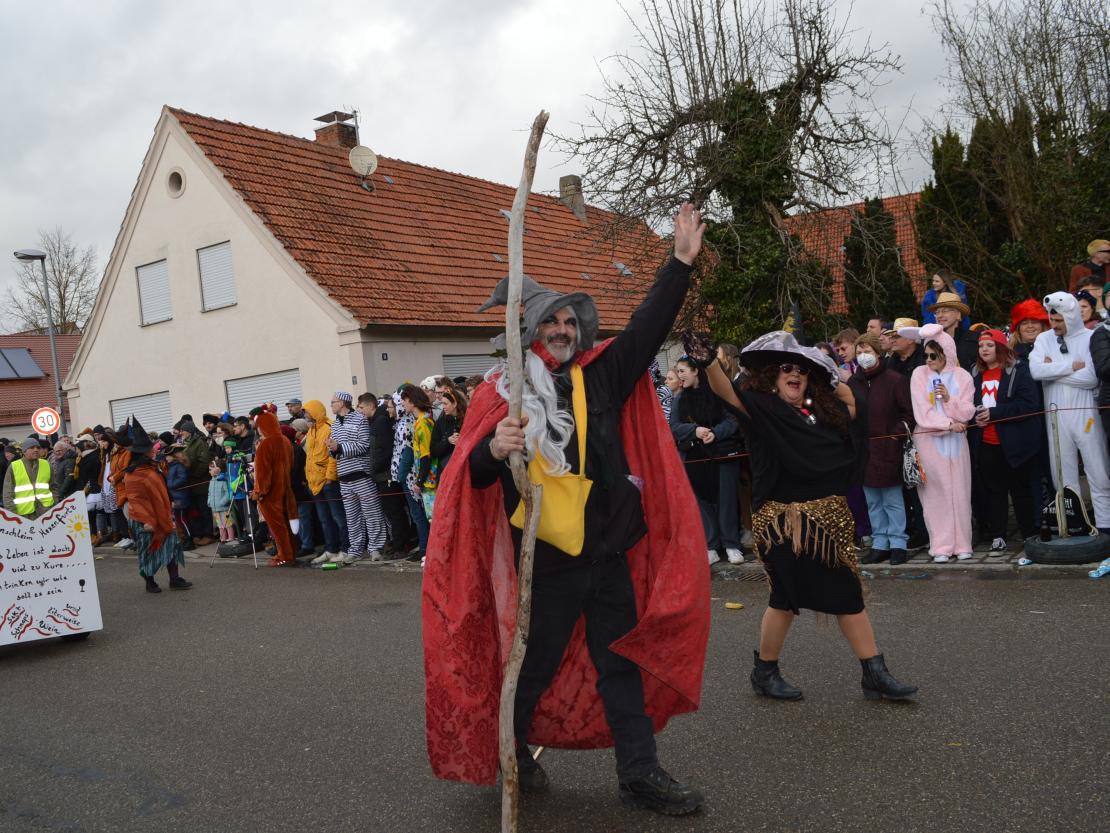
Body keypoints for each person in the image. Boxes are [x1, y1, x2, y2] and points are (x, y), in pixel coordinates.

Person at [424, 203, 710, 815]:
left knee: (619, 666)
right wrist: (494, 451)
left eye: (568, 321)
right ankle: (512, 754)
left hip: (606, 552)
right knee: (532, 665)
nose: (561, 329)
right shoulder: (500, 393)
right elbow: (465, 478)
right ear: (527, 331)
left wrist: (680, 263)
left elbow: (645, 331)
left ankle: (639, 775)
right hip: (546, 559)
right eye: (548, 321)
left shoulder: (600, 378)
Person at [696, 329, 917, 703]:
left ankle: (873, 674)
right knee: (786, 597)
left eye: (801, 369)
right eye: (785, 368)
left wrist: (832, 371)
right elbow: (725, 392)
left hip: (828, 521)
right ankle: (766, 672)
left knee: (847, 595)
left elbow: (855, 406)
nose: (794, 374)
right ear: (772, 376)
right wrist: (709, 363)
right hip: (784, 523)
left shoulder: (823, 411)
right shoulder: (761, 409)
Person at [1030, 292, 1110, 534]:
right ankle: (1074, 523)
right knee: (1062, 473)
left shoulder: (1089, 337)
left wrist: (1051, 369)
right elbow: (1036, 371)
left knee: (1098, 470)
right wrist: (1069, 366)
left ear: (1071, 317)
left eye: (1059, 321)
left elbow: (1090, 378)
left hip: (1085, 413)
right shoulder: (1044, 339)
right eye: (1052, 321)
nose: (1054, 326)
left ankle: (1106, 525)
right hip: (1055, 416)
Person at [906, 324, 977, 562]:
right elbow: (922, 412)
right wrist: (947, 424)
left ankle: (962, 543)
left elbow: (967, 411)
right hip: (929, 443)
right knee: (935, 496)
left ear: (946, 353)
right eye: (925, 355)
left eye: (933, 355)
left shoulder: (963, 376)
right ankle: (941, 546)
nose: (928, 360)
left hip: (957, 444)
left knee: (960, 491)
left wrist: (949, 399)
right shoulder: (918, 375)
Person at [968, 329, 1042, 552]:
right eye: (981, 346)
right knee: (994, 491)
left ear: (1001, 347)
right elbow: (966, 405)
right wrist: (975, 418)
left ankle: (1029, 533)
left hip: (1016, 444)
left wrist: (994, 413)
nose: (984, 350)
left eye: (990, 345)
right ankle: (998, 534)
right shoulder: (973, 373)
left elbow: (1029, 404)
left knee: (1021, 491)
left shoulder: (1018, 371)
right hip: (987, 444)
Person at [669, 355, 744, 565]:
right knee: (701, 501)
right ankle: (711, 545)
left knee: (726, 500)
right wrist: (695, 430)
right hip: (694, 457)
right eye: (677, 371)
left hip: (722, 454)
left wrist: (715, 433)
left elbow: (733, 421)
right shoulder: (679, 399)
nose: (678, 375)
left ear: (695, 371)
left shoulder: (718, 394)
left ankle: (731, 544)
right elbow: (673, 426)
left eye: (682, 370)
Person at [853, 333, 914, 565]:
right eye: (859, 353)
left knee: (892, 500)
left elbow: (907, 413)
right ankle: (880, 543)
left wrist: (895, 435)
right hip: (864, 451)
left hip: (889, 449)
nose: (863, 357)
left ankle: (898, 543)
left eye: (867, 351)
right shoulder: (853, 383)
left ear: (878, 353)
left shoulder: (894, 380)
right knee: (873, 501)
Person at [123, 418, 191, 594]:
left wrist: (169, 506)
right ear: (142, 453)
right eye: (150, 449)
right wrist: (146, 520)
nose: (154, 450)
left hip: (162, 516)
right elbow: (136, 500)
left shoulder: (154, 468)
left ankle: (175, 579)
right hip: (144, 519)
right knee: (148, 552)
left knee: (172, 546)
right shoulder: (133, 475)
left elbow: (161, 489)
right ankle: (150, 581)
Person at [327, 391, 387, 564]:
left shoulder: (359, 419)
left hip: (361, 475)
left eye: (333, 401)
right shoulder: (335, 424)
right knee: (352, 517)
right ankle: (355, 550)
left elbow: (364, 445)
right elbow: (335, 451)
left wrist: (340, 447)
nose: (331, 405)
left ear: (343, 403)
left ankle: (376, 548)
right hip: (344, 477)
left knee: (372, 513)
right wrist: (332, 449)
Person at [301, 400, 348, 565]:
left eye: (306, 411)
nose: (305, 414)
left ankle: (345, 549)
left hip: (328, 482)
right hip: (315, 483)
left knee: (338, 517)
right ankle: (330, 549)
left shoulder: (329, 427)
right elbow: (310, 457)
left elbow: (332, 456)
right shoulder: (311, 430)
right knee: (324, 519)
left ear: (314, 411)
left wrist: (329, 478)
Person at [253, 411, 299, 567]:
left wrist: (259, 492)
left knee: (277, 526)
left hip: (271, 492)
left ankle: (284, 555)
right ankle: (291, 552)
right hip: (285, 487)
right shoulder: (285, 440)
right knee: (286, 522)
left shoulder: (266, 444)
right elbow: (291, 465)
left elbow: (263, 473)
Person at [403, 385, 438, 530]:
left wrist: (419, 481)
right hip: (427, 480)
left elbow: (426, 455)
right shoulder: (419, 422)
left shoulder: (423, 423)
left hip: (430, 481)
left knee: (435, 520)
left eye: (404, 400)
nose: (402, 404)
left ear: (412, 402)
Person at [2, 436, 57, 519]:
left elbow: (53, 487)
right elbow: (8, 493)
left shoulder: (46, 464)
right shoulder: (14, 466)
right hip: (23, 515)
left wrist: (54, 504)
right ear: (24, 451)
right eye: (31, 448)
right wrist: (12, 516)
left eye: (38, 447)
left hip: (46, 512)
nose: (36, 450)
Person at [928, 292, 979, 370]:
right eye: (937, 312)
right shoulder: (931, 341)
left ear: (958, 315)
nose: (940, 316)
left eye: (945, 311)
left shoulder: (974, 339)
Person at [165, 445, 194, 550]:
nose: (166, 458)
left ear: (174, 456)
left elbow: (183, 479)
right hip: (176, 496)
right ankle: (184, 539)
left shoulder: (179, 466)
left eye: (168, 456)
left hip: (181, 496)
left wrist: (171, 485)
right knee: (178, 520)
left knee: (182, 519)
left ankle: (189, 540)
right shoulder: (172, 466)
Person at [207, 458, 236, 543]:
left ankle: (231, 538)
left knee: (227, 523)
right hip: (215, 508)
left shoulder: (224, 480)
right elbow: (209, 493)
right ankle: (222, 538)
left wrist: (222, 502)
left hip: (224, 508)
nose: (209, 471)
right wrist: (209, 501)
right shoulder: (211, 481)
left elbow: (228, 493)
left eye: (210, 469)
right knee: (220, 525)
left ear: (217, 469)